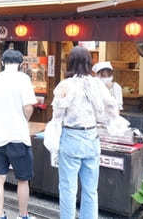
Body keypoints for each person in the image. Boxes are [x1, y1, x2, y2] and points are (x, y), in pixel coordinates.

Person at [51, 46, 118, 219]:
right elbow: (112, 107)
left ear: (70, 63)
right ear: (89, 63)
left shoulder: (65, 85)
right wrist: (104, 121)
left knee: (68, 188)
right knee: (90, 189)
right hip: (92, 138)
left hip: (71, 138)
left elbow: (57, 116)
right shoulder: (97, 84)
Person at [0, 49, 37, 219]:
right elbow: (29, 106)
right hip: (18, 136)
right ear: (22, 64)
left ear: (2, 62)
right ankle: (23, 215)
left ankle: (0, 214)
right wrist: (24, 119)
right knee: (23, 180)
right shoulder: (23, 79)